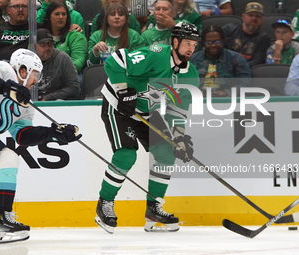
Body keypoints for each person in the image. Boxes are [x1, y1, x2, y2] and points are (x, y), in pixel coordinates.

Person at [0, 48, 82, 244]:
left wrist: (52, 133)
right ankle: (3, 221)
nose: (36, 81)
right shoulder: (5, 69)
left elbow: (23, 136)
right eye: (35, 75)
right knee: (7, 158)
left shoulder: (24, 104)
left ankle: (3, 221)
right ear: (23, 71)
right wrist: (7, 88)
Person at [95, 22, 199, 234]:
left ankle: (153, 208)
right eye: (187, 43)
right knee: (126, 155)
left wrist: (179, 138)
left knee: (167, 154)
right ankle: (104, 204)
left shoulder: (191, 76)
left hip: (148, 113)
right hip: (119, 106)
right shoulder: (156, 54)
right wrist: (123, 90)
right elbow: (114, 62)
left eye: (194, 44)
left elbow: (177, 112)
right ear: (175, 41)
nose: (191, 48)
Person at [191, 25, 251, 97]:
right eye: (209, 42)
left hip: (228, 101)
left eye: (217, 42)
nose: (213, 45)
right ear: (203, 43)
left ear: (223, 41)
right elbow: (184, 82)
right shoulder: (192, 59)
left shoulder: (237, 59)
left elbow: (245, 84)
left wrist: (227, 93)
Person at [42, 1, 87, 74]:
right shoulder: (41, 36)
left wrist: (57, 73)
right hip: (44, 75)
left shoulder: (76, 36)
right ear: (49, 17)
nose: (60, 17)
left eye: (63, 14)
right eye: (57, 14)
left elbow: (78, 62)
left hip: (69, 75)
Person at [222, 2, 271, 69]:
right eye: (251, 15)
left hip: (246, 71)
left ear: (262, 19)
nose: (254, 18)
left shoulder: (264, 38)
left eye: (257, 16)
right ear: (243, 17)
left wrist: (239, 68)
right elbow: (220, 52)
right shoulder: (229, 29)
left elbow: (257, 61)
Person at [36, 28, 80, 100]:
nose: (47, 47)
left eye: (50, 44)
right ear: (33, 46)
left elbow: (74, 89)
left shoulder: (62, 58)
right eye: (43, 44)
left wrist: (48, 98)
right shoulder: (26, 60)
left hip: (56, 103)